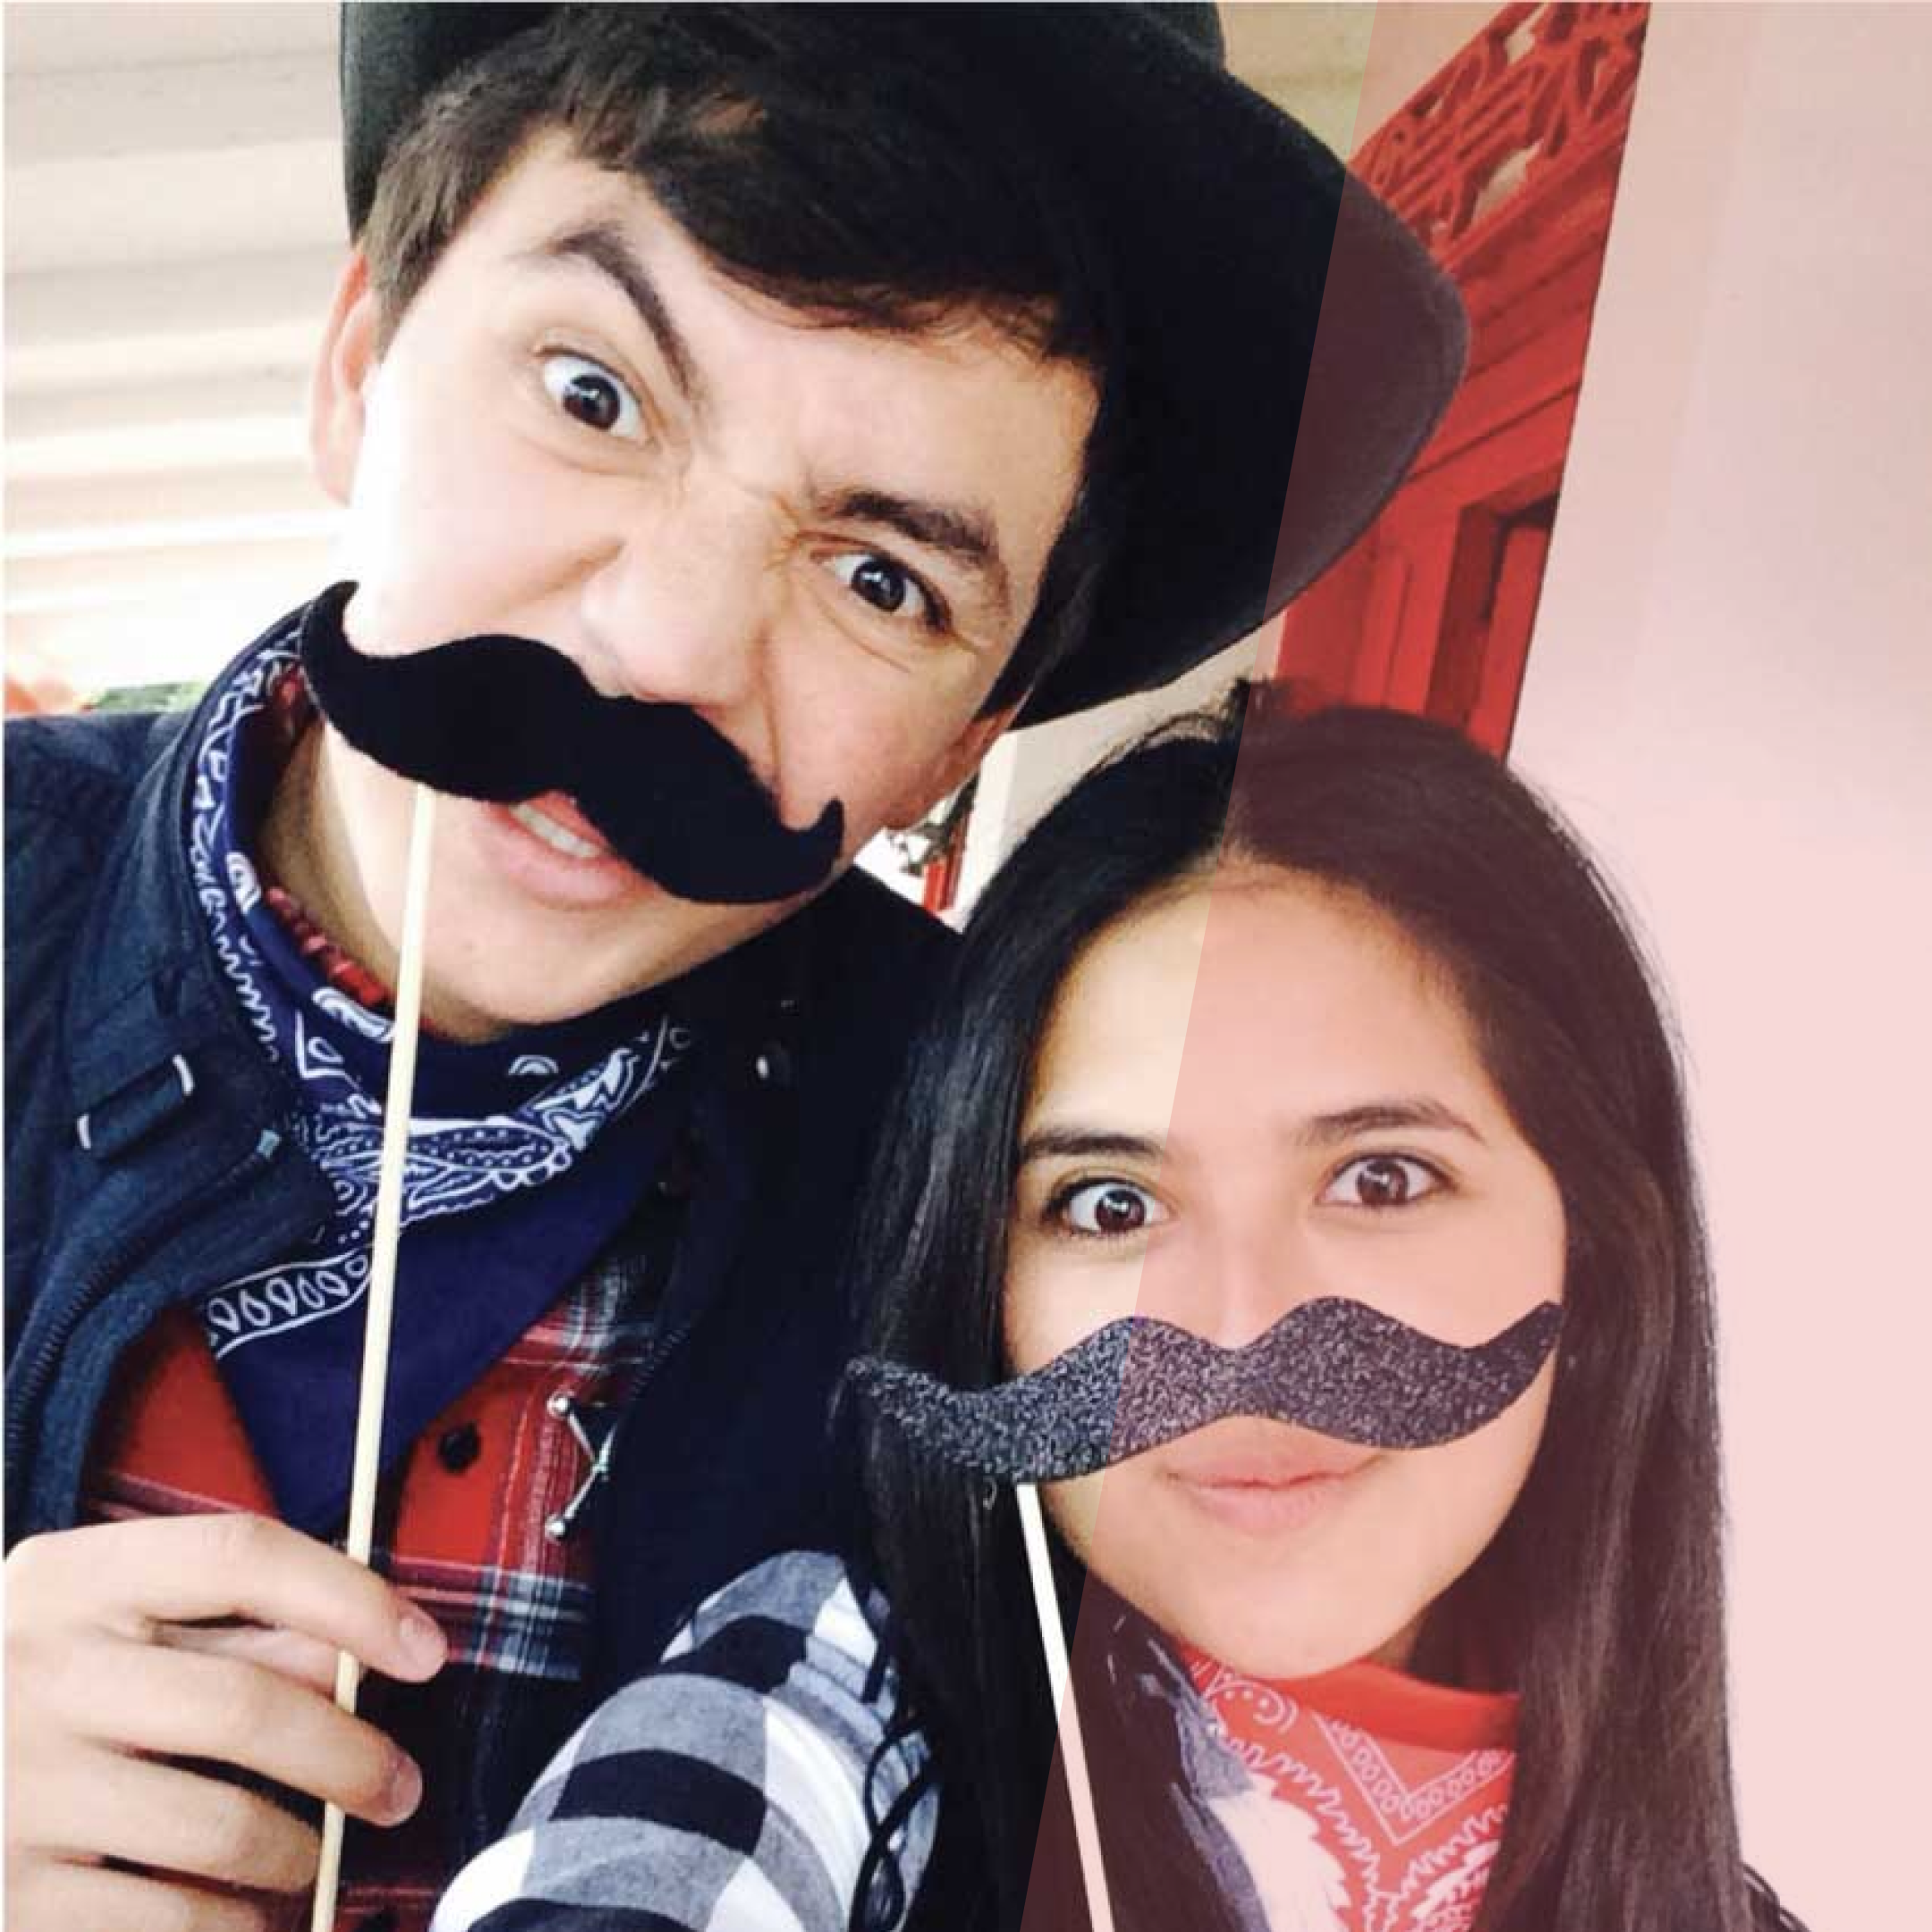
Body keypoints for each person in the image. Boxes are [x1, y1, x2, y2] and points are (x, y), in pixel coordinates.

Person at [2, 7, 1468, 1931]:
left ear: (961, 742)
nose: (666, 649)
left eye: (885, 581)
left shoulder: (1017, 1213)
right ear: (361, 363)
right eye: (592, 394)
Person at [428, 694, 1811, 1932]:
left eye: (1381, 1177)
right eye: (1108, 1205)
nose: (1233, 1325)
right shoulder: (843, 1701)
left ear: (1605, 1254)